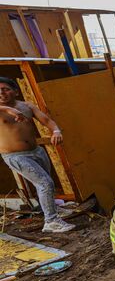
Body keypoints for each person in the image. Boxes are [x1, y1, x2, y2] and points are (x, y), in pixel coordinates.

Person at [0, 77, 75, 233]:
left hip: (36, 151)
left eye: (5, 88)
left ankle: (52, 209)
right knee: (45, 183)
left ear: (15, 91)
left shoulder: (26, 106)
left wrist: (56, 131)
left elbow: (47, 120)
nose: (1, 92)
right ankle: (51, 222)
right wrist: (7, 109)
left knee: (46, 182)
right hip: (16, 156)